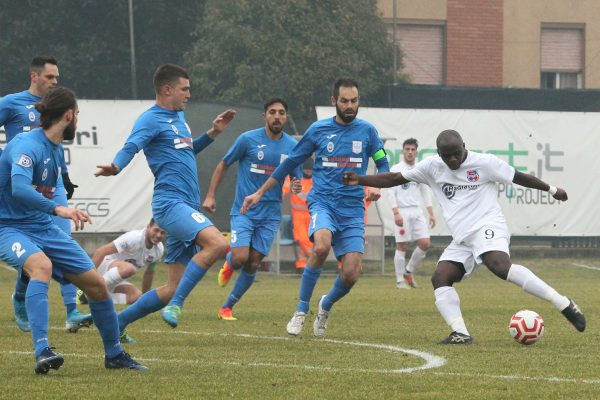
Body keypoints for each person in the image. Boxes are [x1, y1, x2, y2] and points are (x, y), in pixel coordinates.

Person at [343, 129, 586, 344]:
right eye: (447, 155)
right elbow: (394, 178)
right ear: (438, 153)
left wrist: (552, 190)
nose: (453, 159)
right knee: (440, 278)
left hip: (488, 224)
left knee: (500, 266)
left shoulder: (485, 163)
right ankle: (460, 333)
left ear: (464, 147)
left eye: (456, 153)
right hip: (463, 237)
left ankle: (563, 303)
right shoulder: (431, 167)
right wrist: (360, 180)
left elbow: (519, 177)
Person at [0, 87, 146, 373]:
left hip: (42, 227)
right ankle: (42, 351)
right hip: (9, 227)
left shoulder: (55, 149)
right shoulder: (26, 145)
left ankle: (114, 355)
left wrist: (65, 186)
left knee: (96, 286)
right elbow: (18, 188)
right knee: (40, 266)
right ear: (68, 115)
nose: (77, 120)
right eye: (77, 114)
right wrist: (60, 209)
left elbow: (55, 179)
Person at [242, 78, 389, 337]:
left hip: (353, 209)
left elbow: (382, 161)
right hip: (323, 202)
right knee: (321, 246)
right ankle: (301, 310)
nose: (350, 105)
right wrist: (260, 191)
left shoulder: (367, 131)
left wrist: (378, 183)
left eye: (354, 101)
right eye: (344, 101)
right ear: (334, 101)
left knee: (352, 273)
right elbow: (289, 163)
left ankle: (325, 305)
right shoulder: (318, 130)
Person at [95, 64, 236, 335]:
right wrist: (116, 166)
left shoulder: (178, 119)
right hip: (170, 203)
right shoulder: (150, 119)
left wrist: (213, 132)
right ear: (166, 89)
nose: (189, 95)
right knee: (217, 244)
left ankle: (118, 324)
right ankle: (178, 305)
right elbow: (131, 146)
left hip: (186, 204)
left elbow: (186, 150)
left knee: (171, 289)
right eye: (185, 89)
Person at [0, 56, 90, 333]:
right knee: (32, 247)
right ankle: (20, 296)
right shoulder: (12, 103)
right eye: (50, 77)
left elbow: (54, 145)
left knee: (61, 238)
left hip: (50, 184)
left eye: (57, 78)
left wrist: (64, 177)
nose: (54, 82)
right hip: (22, 183)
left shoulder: (55, 111)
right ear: (34, 76)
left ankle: (72, 312)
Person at [202, 98, 301, 321]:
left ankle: (227, 307)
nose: (277, 116)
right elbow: (224, 164)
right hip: (244, 210)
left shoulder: (293, 147)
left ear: (286, 117)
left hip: (270, 214)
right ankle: (229, 263)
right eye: (273, 112)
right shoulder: (247, 139)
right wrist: (210, 195)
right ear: (265, 116)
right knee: (239, 258)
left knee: (254, 262)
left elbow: (296, 179)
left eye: (282, 113)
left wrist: (296, 185)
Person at [386, 138, 435, 289]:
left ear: (416, 152)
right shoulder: (396, 169)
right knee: (402, 245)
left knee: (425, 243)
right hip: (402, 211)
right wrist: (396, 213)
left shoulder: (420, 169)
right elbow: (391, 192)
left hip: (417, 210)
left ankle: (408, 271)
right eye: (407, 149)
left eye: (413, 150)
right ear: (403, 151)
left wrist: (431, 213)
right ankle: (399, 280)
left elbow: (425, 190)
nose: (410, 152)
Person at [89, 218, 165, 305]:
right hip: (103, 267)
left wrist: (145, 300)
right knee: (129, 268)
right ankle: (91, 289)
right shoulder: (134, 237)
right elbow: (100, 251)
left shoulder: (159, 250)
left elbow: (149, 273)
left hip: (114, 278)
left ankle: (90, 298)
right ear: (148, 226)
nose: (159, 235)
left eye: (162, 233)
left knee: (137, 296)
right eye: (156, 230)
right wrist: (89, 279)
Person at [282, 158, 314, 272]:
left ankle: (303, 265)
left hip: (312, 215)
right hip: (298, 215)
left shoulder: (316, 180)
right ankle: (314, 258)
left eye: (310, 170)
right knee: (301, 238)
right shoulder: (295, 178)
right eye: (306, 170)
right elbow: (284, 187)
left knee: (310, 240)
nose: (308, 172)